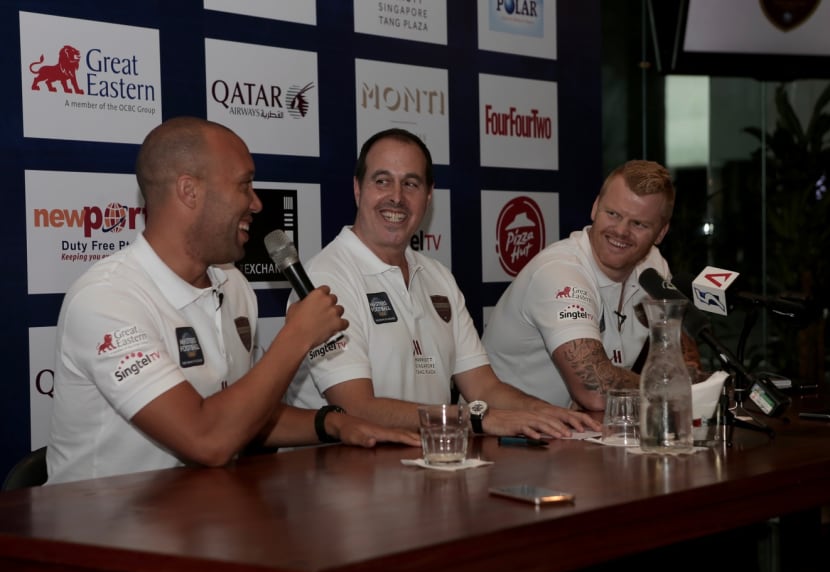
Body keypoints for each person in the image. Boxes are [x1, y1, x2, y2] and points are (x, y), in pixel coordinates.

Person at [46, 117, 419, 485]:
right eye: (244, 185)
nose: (256, 203)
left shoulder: (233, 286)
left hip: (197, 523)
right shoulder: (108, 299)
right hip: (100, 533)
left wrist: (333, 422)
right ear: (189, 191)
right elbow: (207, 439)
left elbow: (242, 414)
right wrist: (298, 336)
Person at [285, 128, 600, 438]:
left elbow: (483, 386)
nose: (396, 197)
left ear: (428, 195)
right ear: (357, 189)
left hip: (428, 466)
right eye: (382, 181)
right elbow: (356, 408)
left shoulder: (437, 276)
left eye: (411, 183)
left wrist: (545, 412)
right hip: (343, 477)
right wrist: (477, 420)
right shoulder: (324, 280)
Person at [481, 160, 702, 412]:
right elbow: (595, 391)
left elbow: (681, 358)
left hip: (581, 433)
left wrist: (688, 380)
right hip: (504, 436)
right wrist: (670, 391)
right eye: (613, 214)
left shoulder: (653, 266)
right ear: (595, 207)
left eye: (639, 224)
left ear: (661, 233)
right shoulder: (560, 271)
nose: (620, 231)